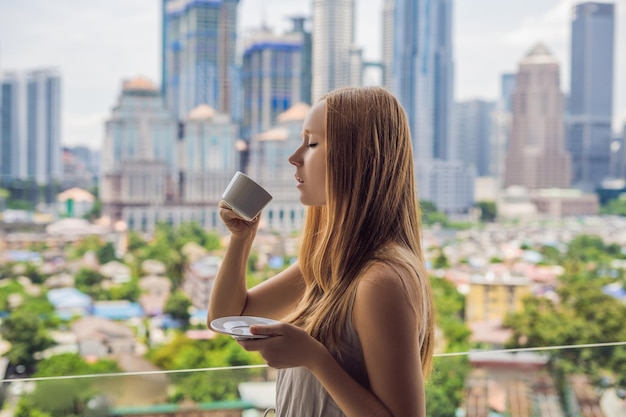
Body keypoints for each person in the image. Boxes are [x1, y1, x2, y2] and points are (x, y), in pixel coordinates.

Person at [208, 86, 435, 417]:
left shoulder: (380, 280)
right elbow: (226, 318)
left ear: (356, 158)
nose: (294, 157)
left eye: (312, 143)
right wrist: (241, 239)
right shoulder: (331, 266)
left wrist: (314, 358)